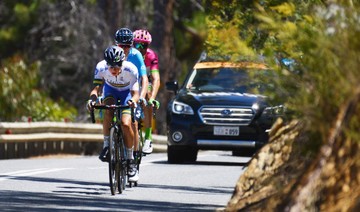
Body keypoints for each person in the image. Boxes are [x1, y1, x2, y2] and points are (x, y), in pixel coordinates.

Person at [87, 45, 139, 182]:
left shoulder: (131, 69)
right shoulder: (101, 67)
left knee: (126, 123)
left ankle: (130, 160)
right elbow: (95, 90)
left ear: (123, 62)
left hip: (127, 93)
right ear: (106, 64)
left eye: (117, 66)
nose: (114, 70)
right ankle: (106, 146)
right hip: (110, 91)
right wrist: (92, 100)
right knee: (108, 109)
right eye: (111, 67)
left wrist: (133, 101)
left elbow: (136, 93)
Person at [114, 28, 148, 178]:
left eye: (128, 46)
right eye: (121, 46)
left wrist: (142, 96)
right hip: (116, 90)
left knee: (132, 123)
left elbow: (144, 78)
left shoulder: (136, 55)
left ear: (132, 45)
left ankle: (132, 159)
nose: (125, 49)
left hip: (133, 92)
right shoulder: (113, 54)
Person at [133, 29, 160, 154]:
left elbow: (156, 78)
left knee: (148, 96)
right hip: (131, 81)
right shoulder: (129, 54)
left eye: (144, 45)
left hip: (144, 82)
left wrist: (153, 98)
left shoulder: (151, 56)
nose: (140, 48)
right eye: (137, 44)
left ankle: (148, 137)